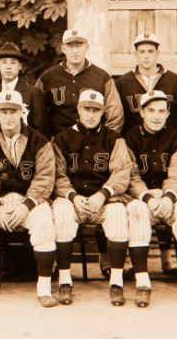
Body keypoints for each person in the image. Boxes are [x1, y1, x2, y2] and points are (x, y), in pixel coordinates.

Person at [0, 91, 57, 308]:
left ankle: (44, 289)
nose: (9, 117)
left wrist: (26, 206)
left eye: (13, 111)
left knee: (44, 224)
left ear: (22, 112)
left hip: (30, 199)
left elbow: (45, 179)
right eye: (4, 111)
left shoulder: (39, 140)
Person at [122, 90, 177, 307]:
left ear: (168, 113)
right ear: (141, 112)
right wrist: (148, 197)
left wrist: (168, 197)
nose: (156, 116)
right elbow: (130, 175)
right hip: (142, 196)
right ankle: (142, 282)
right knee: (136, 212)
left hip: (173, 195)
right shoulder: (129, 138)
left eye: (161, 111)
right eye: (150, 111)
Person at [52, 89, 134, 306]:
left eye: (95, 110)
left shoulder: (114, 139)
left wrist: (104, 194)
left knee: (118, 214)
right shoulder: (62, 139)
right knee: (61, 213)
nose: (90, 114)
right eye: (86, 109)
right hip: (73, 198)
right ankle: (65, 280)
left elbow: (122, 172)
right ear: (78, 110)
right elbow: (57, 175)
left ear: (103, 112)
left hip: (104, 199)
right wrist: (72, 196)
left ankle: (116, 282)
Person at [36, 29, 123, 136]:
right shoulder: (48, 77)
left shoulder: (102, 77)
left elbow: (115, 116)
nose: (75, 51)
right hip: (58, 144)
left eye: (79, 45)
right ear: (63, 48)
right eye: (70, 46)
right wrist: (47, 143)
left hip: (93, 142)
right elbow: (37, 115)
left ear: (87, 47)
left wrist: (105, 142)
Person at [114, 32, 177, 137]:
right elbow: (117, 116)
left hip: (167, 143)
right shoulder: (123, 82)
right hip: (135, 143)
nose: (146, 56)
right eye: (142, 52)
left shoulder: (174, 80)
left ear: (157, 53)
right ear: (135, 54)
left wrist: (172, 133)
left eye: (150, 51)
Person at [0, 42, 47, 135]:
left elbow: (40, 128)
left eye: (13, 62)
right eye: (4, 62)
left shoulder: (33, 93)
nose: (8, 67)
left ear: (20, 66)